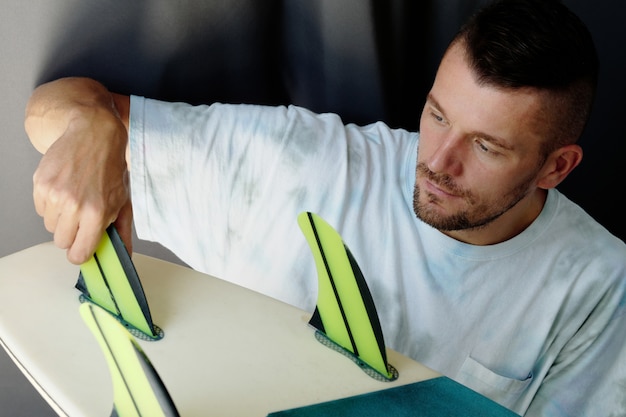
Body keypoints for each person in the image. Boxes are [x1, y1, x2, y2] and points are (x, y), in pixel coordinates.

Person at [24, 0, 626, 415]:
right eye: (438, 114)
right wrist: (94, 127)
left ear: (557, 167)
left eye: (487, 147)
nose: (440, 161)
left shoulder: (600, 285)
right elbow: (53, 109)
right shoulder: (310, 164)